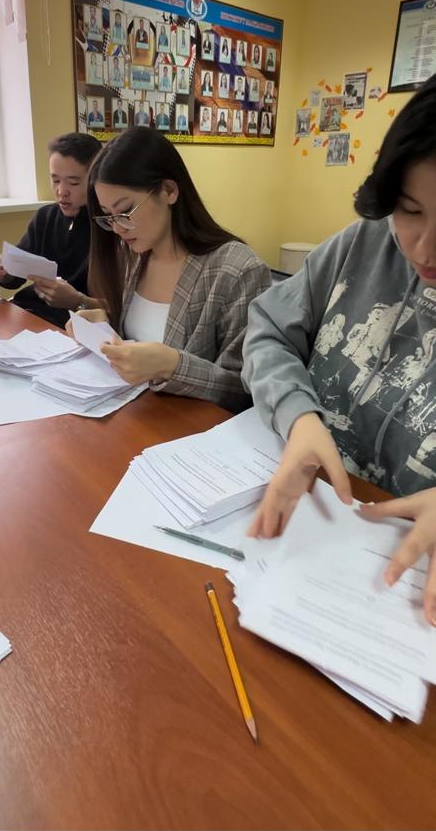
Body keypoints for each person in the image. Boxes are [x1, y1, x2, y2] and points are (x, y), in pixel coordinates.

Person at [242, 75, 436, 622]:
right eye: (411, 210)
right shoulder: (366, 241)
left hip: (401, 595)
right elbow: (268, 327)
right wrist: (300, 419)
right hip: (303, 534)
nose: (425, 249)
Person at [70, 127, 271, 411]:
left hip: (192, 428)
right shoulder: (134, 255)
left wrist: (171, 365)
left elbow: (246, 390)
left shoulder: (237, 270)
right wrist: (105, 324)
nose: (117, 228)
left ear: (169, 191)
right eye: (108, 216)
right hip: (136, 415)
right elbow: (140, 339)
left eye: (125, 211)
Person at [0, 133, 102, 328]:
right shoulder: (46, 216)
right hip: (28, 312)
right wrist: (2, 270)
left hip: (71, 326)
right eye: (55, 180)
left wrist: (77, 300)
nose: (61, 191)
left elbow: (120, 307)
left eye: (73, 182)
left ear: (95, 180)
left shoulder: (110, 225)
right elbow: (14, 278)